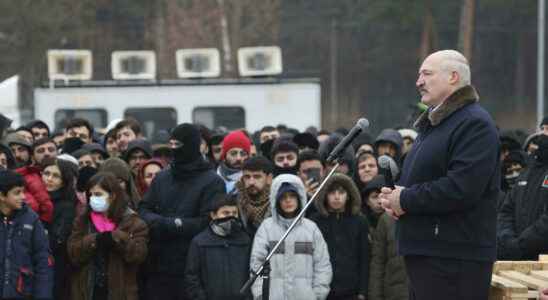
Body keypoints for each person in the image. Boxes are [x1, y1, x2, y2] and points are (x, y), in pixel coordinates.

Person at [380, 50, 500, 300]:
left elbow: (462, 188)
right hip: (429, 253)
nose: (418, 81)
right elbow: (420, 180)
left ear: (453, 77)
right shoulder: (436, 125)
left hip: (453, 259)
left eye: (426, 73)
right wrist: (394, 198)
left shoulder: (473, 123)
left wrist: (406, 199)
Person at [139, 123, 225, 300]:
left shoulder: (212, 182)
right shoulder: (162, 177)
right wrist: (160, 222)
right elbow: (144, 208)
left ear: (191, 145)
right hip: (159, 267)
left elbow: (207, 221)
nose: (173, 149)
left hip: (193, 269)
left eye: (177, 145)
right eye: (170, 144)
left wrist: (174, 224)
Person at [67, 172, 149, 300]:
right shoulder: (83, 221)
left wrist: (116, 238)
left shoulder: (133, 222)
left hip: (121, 293)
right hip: (88, 291)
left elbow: (138, 254)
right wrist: (94, 240)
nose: (93, 198)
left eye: (98, 194)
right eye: (91, 194)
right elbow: (73, 253)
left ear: (113, 196)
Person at [250, 174, 332, 300]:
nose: (288, 201)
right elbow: (257, 263)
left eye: (292, 196)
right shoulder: (266, 228)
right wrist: (261, 295)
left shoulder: (311, 229)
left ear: (300, 198)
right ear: (276, 201)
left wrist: (317, 295)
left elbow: (322, 265)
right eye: (283, 197)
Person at [310, 173, 369, 300]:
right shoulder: (315, 221)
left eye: (341, 192)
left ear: (348, 195)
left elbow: (364, 258)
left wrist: (362, 291)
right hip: (323, 290)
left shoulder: (359, 221)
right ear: (325, 195)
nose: (336, 197)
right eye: (332, 192)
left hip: (352, 290)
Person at [0, 169, 53, 300]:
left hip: (22, 293)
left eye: (23, 191)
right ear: (2, 195)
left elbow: (42, 260)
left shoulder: (31, 219)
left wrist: (43, 296)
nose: (23, 197)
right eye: (17, 193)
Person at [184, 197, 251, 300]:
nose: (231, 217)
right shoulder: (199, 242)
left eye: (234, 213)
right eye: (226, 213)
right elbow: (192, 278)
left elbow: (251, 275)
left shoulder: (245, 240)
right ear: (213, 215)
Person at [497, 134, 548, 260]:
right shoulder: (526, 172)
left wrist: (522, 244)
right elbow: (506, 211)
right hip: (519, 256)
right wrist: (507, 239)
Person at [41, 158, 78, 300]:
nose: (49, 179)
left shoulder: (66, 206)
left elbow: (58, 240)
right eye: (46, 173)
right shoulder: (32, 200)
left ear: (64, 181)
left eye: (55, 176)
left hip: (54, 267)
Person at [368, 212, 409, 300]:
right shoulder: (386, 219)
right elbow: (378, 262)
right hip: (395, 293)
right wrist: (375, 296)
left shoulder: (431, 215)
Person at [236, 156, 273, 237]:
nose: (251, 182)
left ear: (269, 178)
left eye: (257, 177)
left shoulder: (278, 202)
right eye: (247, 177)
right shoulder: (235, 202)